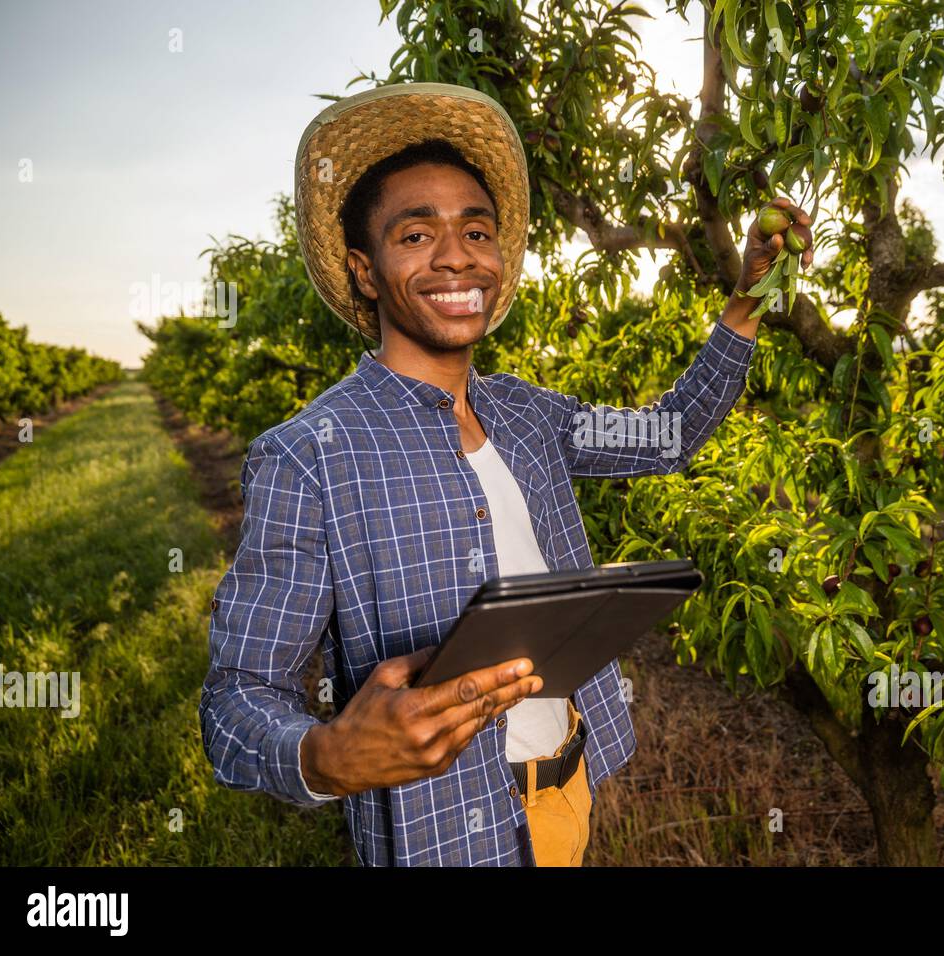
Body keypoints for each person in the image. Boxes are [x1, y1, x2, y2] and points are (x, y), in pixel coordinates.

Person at [198, 82, 813, 866]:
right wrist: (325, 756)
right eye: (416, 235)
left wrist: (749, 299)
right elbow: (236, 700)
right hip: (444, 832)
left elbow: (670, 438)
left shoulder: (529, 415)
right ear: (364, 270)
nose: (457, 255)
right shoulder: (310, 454)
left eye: (477, 231)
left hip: (568, 790)